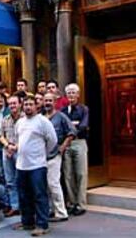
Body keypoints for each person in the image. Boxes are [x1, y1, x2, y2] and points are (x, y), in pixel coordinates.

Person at [12, 95, 57, 236]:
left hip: (37, 165)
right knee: (24, 195)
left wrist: (42, 154)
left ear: (37, 106)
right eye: (25, 104)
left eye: (31, 104)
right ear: (22, 106)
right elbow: (18, 139)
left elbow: (53, 141)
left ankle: (42, 225)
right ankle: (27, 222)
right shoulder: (19, 122)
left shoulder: (43, 121)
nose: (28, 107)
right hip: (21, 165)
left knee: (39, 195)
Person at [44, 92, 76, 222]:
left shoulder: (61, 116)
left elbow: (72, 131)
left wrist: (63, 147)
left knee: (53, 184)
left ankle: (61, 213)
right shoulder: (41, 117)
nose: (47, 103)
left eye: (50, 100)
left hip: (54, 156)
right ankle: (52, 210)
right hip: (42, 156)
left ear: (55, 102)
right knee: (46, 185)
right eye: (45, 100)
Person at [61, 83, 89, 216]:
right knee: (68, 175)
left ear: (78, 94)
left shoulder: (84, 109)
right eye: (69, 93)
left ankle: (81, 204)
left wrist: (71, 127)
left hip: (79, 143)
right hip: (66, 144)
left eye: (73, 92)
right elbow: (62, 128)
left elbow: (83, 126)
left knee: (81, 174)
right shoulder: (63, 111)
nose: (71, 95)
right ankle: (71, 203)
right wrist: (74, 125)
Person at [0, 95, 22, 217]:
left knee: (22, 179)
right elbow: (0, 135)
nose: (12, 106)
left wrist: (15, 147)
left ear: (20, 104)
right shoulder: (5, 119)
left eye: (14, 103)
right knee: (10, 180)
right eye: (10, 104)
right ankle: (15, 206)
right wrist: (7, 146)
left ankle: (24, 206)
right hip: (7, 152)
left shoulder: (24, 119)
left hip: (21, 151)